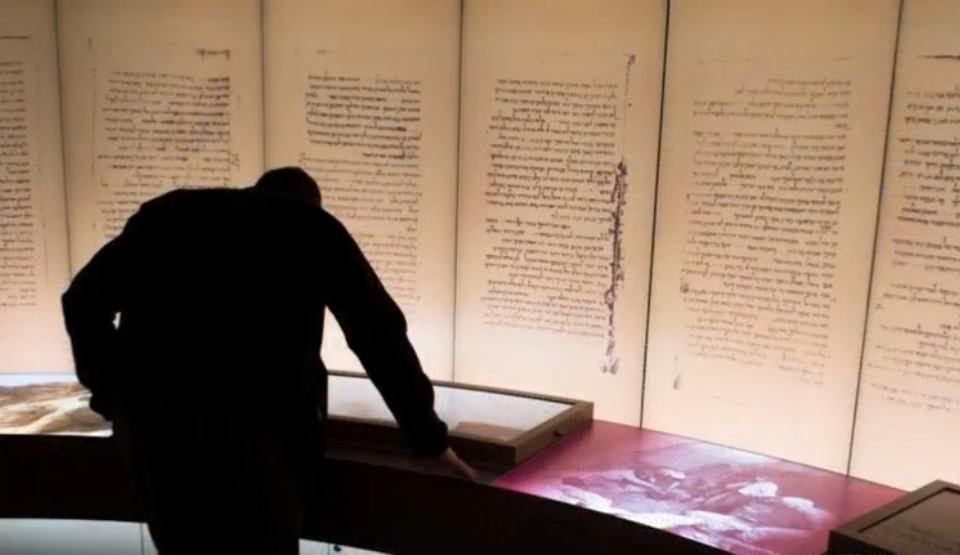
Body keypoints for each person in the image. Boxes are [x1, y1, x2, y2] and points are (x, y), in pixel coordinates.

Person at [61, 167, 477, 554]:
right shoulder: (312, 227)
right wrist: (428, 439)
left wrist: (116, 394)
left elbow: (82, 300)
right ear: (311, 203)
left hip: (160, 434)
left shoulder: (167, 215)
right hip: (260, 442)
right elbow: (377, 333)